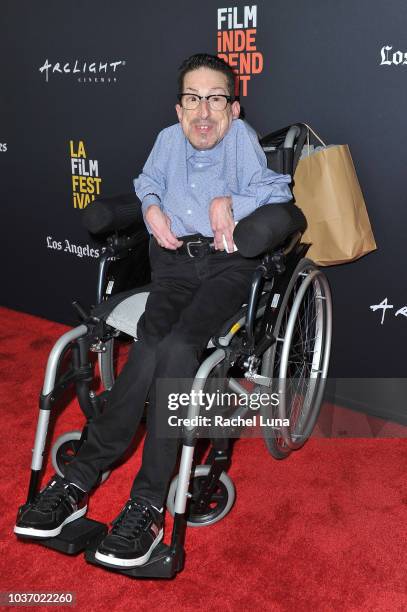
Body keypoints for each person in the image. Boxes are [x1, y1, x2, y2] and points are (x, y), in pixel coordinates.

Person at [14, 53, 292, 568]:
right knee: (151, 343)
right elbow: (147, 181)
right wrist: (150, 207)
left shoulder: (242, 142)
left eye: (215, 100)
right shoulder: (168, 140)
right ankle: (80, 478)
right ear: (179, 106)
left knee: (182, 347)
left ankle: (145, 500)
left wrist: (229, 202)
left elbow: (278, 190)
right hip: (173, 265)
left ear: (233, 108)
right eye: (193, 100)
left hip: (228, 265)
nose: (203, 113)